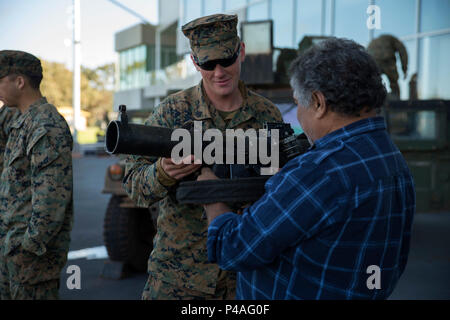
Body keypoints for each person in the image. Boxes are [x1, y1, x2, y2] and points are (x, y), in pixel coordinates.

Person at [200, 38, 415, 299]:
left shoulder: (319, 173)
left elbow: (231, 248)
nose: (298, 116)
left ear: (318, 102)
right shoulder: (392, 158)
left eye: (298, 103)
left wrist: (209, 190)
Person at [123, 14, 282, 300]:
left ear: (241, 52)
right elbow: (133, 186)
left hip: (246, 277)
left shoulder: (267, 114)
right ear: (195, 63)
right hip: (179, 277)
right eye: (208, 64)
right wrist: (163, 172)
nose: (219, 72)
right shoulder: (172, 112)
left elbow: (281, 188)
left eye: (227, 60)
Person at [0, 50, 73, 300]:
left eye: (0, 82)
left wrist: (28, 248)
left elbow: (51, 201)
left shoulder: (46, 125)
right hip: (12, 249)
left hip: (31, 258)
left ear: (19, 82)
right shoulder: (20, 119)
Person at [367, 34, 408, 99]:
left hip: (373, 60)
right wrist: (404, 68)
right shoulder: (393, 39)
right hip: (387, 60)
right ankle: (396, 100)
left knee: (374, 83)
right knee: (394, 82)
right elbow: (402, 52)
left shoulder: (373, 42)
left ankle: (375, 99)